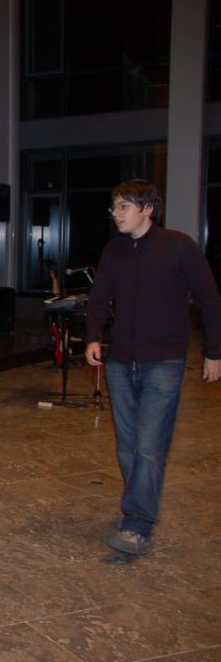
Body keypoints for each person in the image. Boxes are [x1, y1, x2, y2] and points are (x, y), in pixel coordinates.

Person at [85, 179, 221, 555]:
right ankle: (138, 505)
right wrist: (94, 336)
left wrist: (215, 351)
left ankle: (138, 523)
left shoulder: (179, 247)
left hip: (164, 362)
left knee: (148, 446)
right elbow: (99, 298)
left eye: (123, 206)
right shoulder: (113, 250)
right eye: (114, 207)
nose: (116, 214)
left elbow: (210, 299)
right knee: (127, 446)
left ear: (147, 208)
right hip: (120, 362)